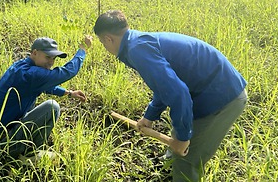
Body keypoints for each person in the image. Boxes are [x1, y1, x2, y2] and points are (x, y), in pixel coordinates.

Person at [93, 10, 247, 182]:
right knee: (179, 137)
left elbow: (178, 93)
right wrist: (149, 116)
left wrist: (182, 138)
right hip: (210, 87)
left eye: (102, 42)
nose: (104, 47)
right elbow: (164, 86)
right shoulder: (137, 43)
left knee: (186, 160)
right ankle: (168, 169)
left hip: (222, 95)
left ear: (108, 39)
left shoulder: (137, 50)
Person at [0, 35, 92, 160]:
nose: (51, 62)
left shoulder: (21, 67)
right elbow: (68, 72)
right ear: (35, 53)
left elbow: (41, 85)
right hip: (1, 143)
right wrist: (83, 49)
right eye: (48, 57)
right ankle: (28, 154)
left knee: (47, 107)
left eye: (53, 59)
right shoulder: (31, 74)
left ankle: (21, 150)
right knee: (52, 107)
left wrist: (68, 93)